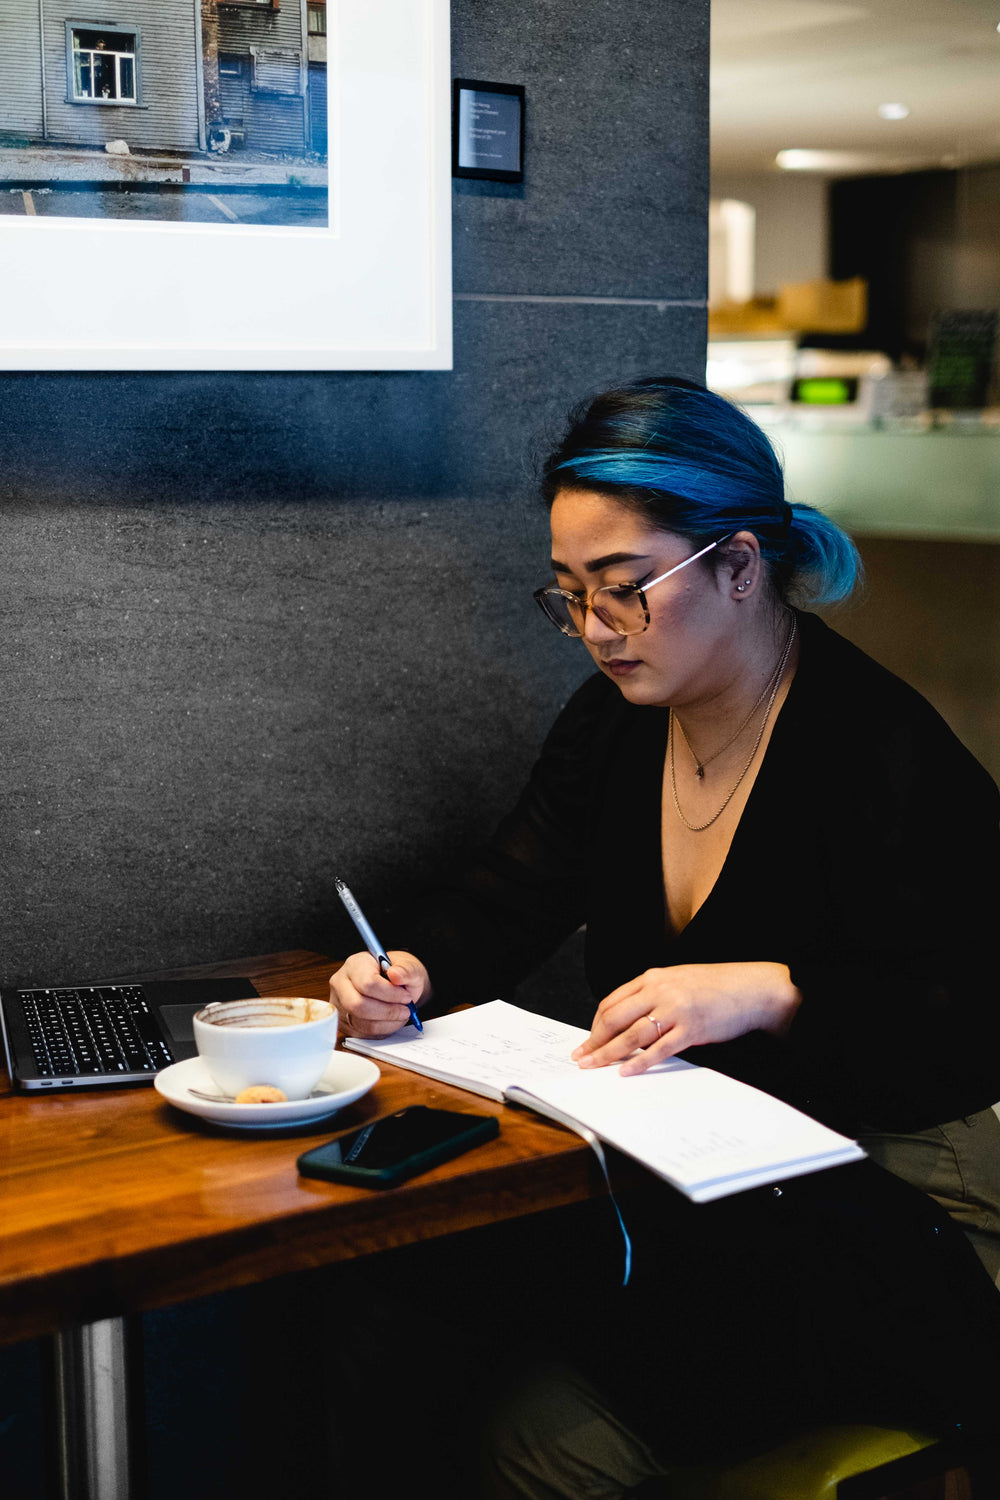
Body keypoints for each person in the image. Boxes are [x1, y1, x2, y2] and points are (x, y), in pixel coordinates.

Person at [329, 377, 1000, 1498]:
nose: (594, 632)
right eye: (568, 596)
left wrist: (777, 992)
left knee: (535, 1403)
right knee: (449, 1345)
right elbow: (513, 890)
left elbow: (970, 1022)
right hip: (736, 1199)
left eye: (626, 592)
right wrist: (409, 969)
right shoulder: (615, 724)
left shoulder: (876, 750)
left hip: (903, 1195)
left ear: (739, 565)